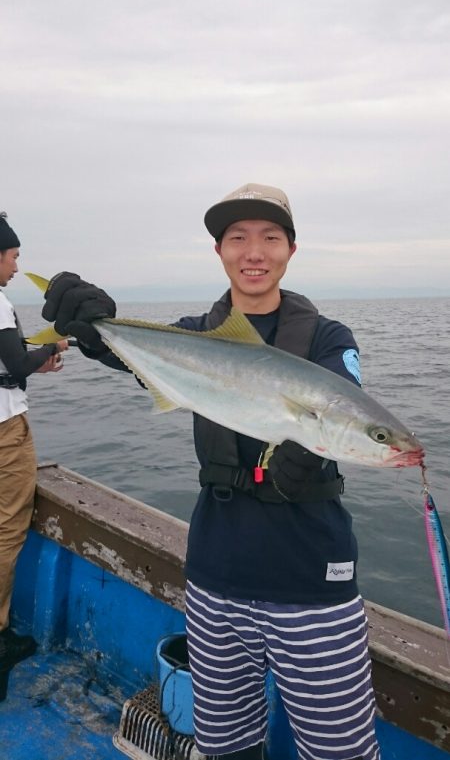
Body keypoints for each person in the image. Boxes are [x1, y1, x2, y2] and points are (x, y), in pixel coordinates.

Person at [39, 184, 380, 760]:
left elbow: (343, 406)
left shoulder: (329, 339)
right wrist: (97, 333)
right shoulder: (192, 334)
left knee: (340, 750)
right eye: (237, 237)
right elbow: (140, 362)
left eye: (271, 237)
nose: (254, 251)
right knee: (224, 744)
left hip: (313, 581)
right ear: (219, 251)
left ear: (291, 250)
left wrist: (309, 451)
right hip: (215, 574)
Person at [0, 212, 68, 691]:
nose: (16, 267)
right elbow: (18, 360)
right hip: (5, 431)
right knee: (7, 529)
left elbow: (8, 363)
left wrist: (31, 363)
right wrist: (55, 345)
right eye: (13, 256)